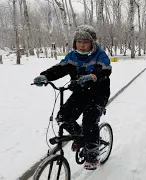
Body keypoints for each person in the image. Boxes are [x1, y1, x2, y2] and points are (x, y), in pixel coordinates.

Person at [33, 25, 112, 170]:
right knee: (63, 117)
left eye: (86, 42)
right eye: (79, 41)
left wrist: (93, 76)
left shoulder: (100, 55)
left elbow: (106, 69)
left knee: (89, 119)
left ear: (92, 43)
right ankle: (83, 137)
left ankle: (92, 153)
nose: (81, 45)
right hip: (80, 93)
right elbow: (60, 68)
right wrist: (45, 76)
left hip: (98, 93)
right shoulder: (72, 56)